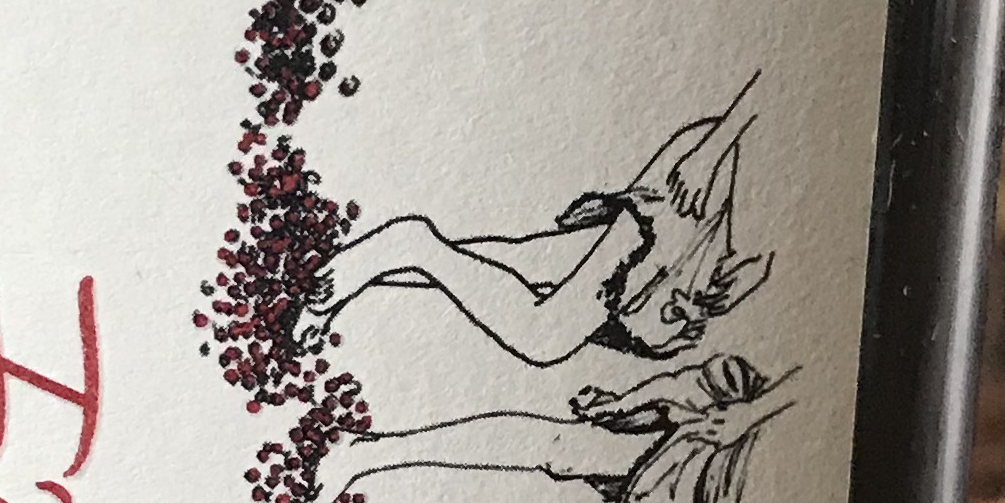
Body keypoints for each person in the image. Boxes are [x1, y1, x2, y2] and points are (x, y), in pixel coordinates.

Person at [298, 73, 771, 367]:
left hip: (725, 214)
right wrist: (710, 152)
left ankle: (379, 263)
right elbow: (778, 76)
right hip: (710, 189)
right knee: (547, 335)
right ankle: (410, 248)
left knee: (534, 262)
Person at [308, 350, 795, 503]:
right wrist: (745, 414)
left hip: (715, 491)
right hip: (720, 435)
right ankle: (372, 457)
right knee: (561, 447)